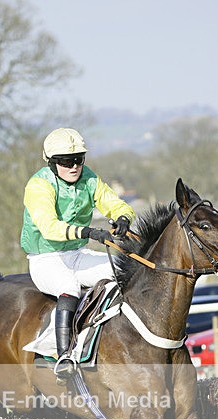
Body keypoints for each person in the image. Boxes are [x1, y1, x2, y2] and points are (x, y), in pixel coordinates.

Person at [20, 127, 135, 379]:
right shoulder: (39, 185)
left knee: (124, 271)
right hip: (45, 259)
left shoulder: (89, 178)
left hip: (76, 254)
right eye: (65, 162)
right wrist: (89, 232)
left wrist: (122, 217)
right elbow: (49, 228)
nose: (74, 167)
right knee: (69, 286)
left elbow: (113, 202)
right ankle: (64, 357)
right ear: (51, 163)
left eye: (78, 159)